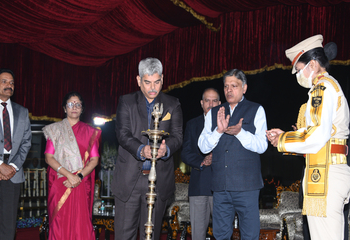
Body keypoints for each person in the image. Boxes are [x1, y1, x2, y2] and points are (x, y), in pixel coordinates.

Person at [266, 34, 350, 240]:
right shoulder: (330, 86)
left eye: (298, 69)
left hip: (327, 174)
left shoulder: (321, 88)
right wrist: (287, 138)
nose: (298, 75)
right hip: (326, 170)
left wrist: (283, 140)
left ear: (312, 65)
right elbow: (321, 135)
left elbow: (317, 136)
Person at [112, 57, 183, 240]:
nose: (153, 88)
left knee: (150, 236)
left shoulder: (172, 103)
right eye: (147, 82)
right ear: (138, 80)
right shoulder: (126, 102)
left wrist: (165, 151)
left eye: (157, 82)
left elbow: (177, 136)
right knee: (124, 236)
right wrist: (142, 150)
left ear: (162, 79)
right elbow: (123, 134)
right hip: (129, 181)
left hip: (159, 181)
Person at [198, 69, 268, 240]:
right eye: (226, 86)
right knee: (220, 234)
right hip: (221, 187)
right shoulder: (214, 113)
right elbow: (202, 146)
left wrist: (240, 133)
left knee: (250, 235)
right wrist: (218, 131)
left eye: (234, 86)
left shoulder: (256, 109)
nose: (229, 90)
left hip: (247, 187)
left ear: (244, 88)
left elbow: (262, 146)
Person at [43, 91, 101, 240]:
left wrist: (79, 176)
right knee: (59, 223)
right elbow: (49, 158)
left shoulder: (90, 132)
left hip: (81, 182)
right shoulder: (55, 130)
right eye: (70, 104)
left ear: (82, 109)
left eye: (78, 104)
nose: (74, 107)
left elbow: (94, 160)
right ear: (64, 108)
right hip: (60, 181)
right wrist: (69, 175)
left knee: (81, 223)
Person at [181, 88, 221, 240]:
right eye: (207, 100)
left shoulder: (228, 124)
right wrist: (202, 161)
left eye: (215, 100)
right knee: (197, 235)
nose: (211, 104)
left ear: (220, 103)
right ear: (202, 103)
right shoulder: (192, 124)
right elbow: (185, 153)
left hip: (221, 187)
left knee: (223, 234)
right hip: (199, 185)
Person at [0, 68, 32, 240]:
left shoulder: (22, 112)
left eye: (11, 83)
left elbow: (26, 143)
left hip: (13, 172)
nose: (8, 85)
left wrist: (12, 166)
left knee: (8, 222)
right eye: (4, 81)